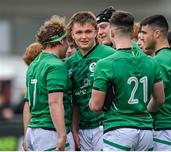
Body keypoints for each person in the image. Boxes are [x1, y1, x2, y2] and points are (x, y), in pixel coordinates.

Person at [89, 10, 164, 151]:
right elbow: (159, 99)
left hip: (118, 130)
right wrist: (142, 110)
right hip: (146, 131)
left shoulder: (105, 64)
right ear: (133, 33)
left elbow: (96, 106)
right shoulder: (151, 62)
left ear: (112, 32)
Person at [66, 11, 116, 151]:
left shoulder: (111, 55)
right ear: (72, 34)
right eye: (79, 32)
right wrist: (74, 131)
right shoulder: (69, 64)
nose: (83, 36)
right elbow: (74, 102)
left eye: (88, 31)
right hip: (83, 130)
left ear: (96, 32)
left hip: (107, 126)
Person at [23, 15, 68, 151]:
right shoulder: (56, 65)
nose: (68, 46)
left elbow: (28, 104)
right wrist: (62, 135)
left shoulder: (34, 64)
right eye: (67, 41)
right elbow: (54, 102)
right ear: (61, 41)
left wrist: (26, 134)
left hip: (33, 130)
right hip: (48, 132)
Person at [140, 14, 171, 151]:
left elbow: (157, 99)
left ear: (157, 33)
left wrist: (143, 113)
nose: (142, 37)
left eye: (144, 33)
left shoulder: (158, 61)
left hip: (163, 129)